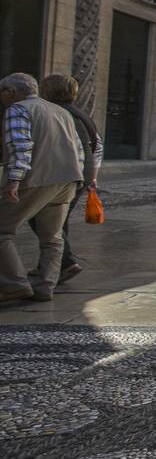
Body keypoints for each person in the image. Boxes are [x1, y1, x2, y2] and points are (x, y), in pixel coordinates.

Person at [1, 73, 85, 304]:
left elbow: (21, 147)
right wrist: (77, 180)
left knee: (2, 231)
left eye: (3, 93)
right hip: (67, 180)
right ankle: (45, 286)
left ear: (11, 92)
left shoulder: (18, 109)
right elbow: (78, 149)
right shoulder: (62, 112)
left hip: (36, 180)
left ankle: (14, 284)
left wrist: (14, 181)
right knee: (52, 237)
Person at [26, 74, 102, 284]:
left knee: (44, 220)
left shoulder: (59, 113)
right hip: (79, 175)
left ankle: (65, 263)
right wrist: (92, 178)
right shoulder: (82, 115)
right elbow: (97, 147)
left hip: (63, 174)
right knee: (58, 220)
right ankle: (51, 266)